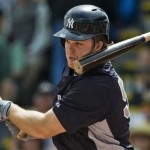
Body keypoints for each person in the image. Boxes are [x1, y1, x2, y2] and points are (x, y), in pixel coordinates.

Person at [0, 5, 133, 150]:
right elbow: (68, 121)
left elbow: (44, 127)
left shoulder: (98, 84)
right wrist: (28, 124)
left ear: (98, 45)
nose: (70, 49)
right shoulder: (77, 68)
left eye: (78, 43)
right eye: (67, 40)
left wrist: (6, 109)